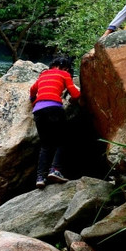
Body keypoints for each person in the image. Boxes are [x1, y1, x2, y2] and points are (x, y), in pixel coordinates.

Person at [29, 56, 81, 188]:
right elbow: (75, 94)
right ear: (66, 68)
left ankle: (40, 177)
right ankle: (55, 170)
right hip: (54, 109)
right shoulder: (64, 74)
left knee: (46, 145)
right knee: (62, 140)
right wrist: (72, 101)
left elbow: (32, 90)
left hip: (38, 111)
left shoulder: (43, 75)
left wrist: (33, 99)